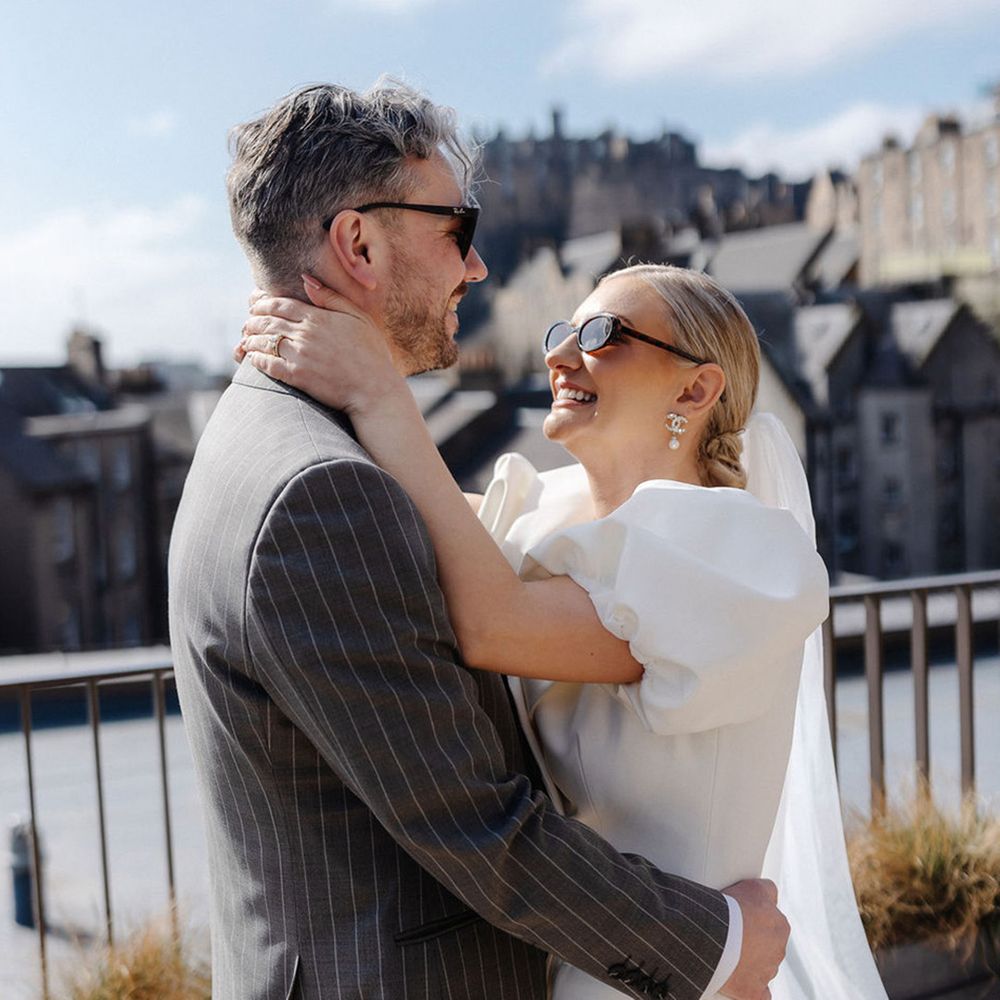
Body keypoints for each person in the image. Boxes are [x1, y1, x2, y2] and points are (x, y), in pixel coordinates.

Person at [169, 81, 791, 1000]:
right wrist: (720, 944)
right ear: (360, 245)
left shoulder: (284, 442)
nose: (477, 267)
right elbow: (473, 823)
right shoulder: (323, 491)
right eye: (456, 231)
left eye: (602, 333)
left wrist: (381, 397)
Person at [237, 260, 889, 999]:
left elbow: (493, 624)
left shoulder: (736, 554)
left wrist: (378, 390)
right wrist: (318, 343)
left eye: (604, 334)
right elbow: (411, 508)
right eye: (561, 333)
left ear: (694, 390)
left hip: (676, 966)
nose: (561, 355)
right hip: (592, 955)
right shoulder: (555, 513)